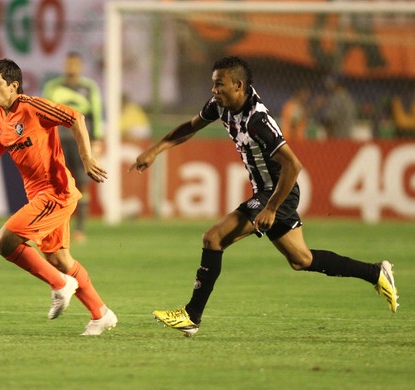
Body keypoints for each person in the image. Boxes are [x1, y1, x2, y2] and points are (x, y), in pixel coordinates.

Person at [129, 56, 399, 337]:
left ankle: (191, 316)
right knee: (301, 260)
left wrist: (271, 208)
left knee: (213, 238)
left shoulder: (258, 120)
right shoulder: (221, 107)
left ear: (238, 85)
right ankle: (376, 273)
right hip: (266, 194)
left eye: (219, 85)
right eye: (213, 84)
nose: (214, 91)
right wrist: (155, 150)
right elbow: (191, 126)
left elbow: (293, 165)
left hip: (276, 192)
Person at [0, 59, 117, 336]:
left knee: (4, 241)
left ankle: (59, 284)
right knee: (59, 259)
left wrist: (87, 158)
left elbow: (76, 117)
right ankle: (101, 314)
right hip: (38, 196)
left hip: (56, 191)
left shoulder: (32, 107)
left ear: (13, 86)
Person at [42, 52, 104, 243]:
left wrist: (97, 139)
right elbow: (43, 113)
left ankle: (80, 229)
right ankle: (59, 226)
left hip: (80, 141)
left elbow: (96, 114)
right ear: (64, 65)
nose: (72, 67)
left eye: (75, 64)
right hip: (58, 140)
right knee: (58, 184)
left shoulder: (88, 87)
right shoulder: (53, 87)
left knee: (82, 183)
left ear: (81, 67)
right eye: (69, 64)